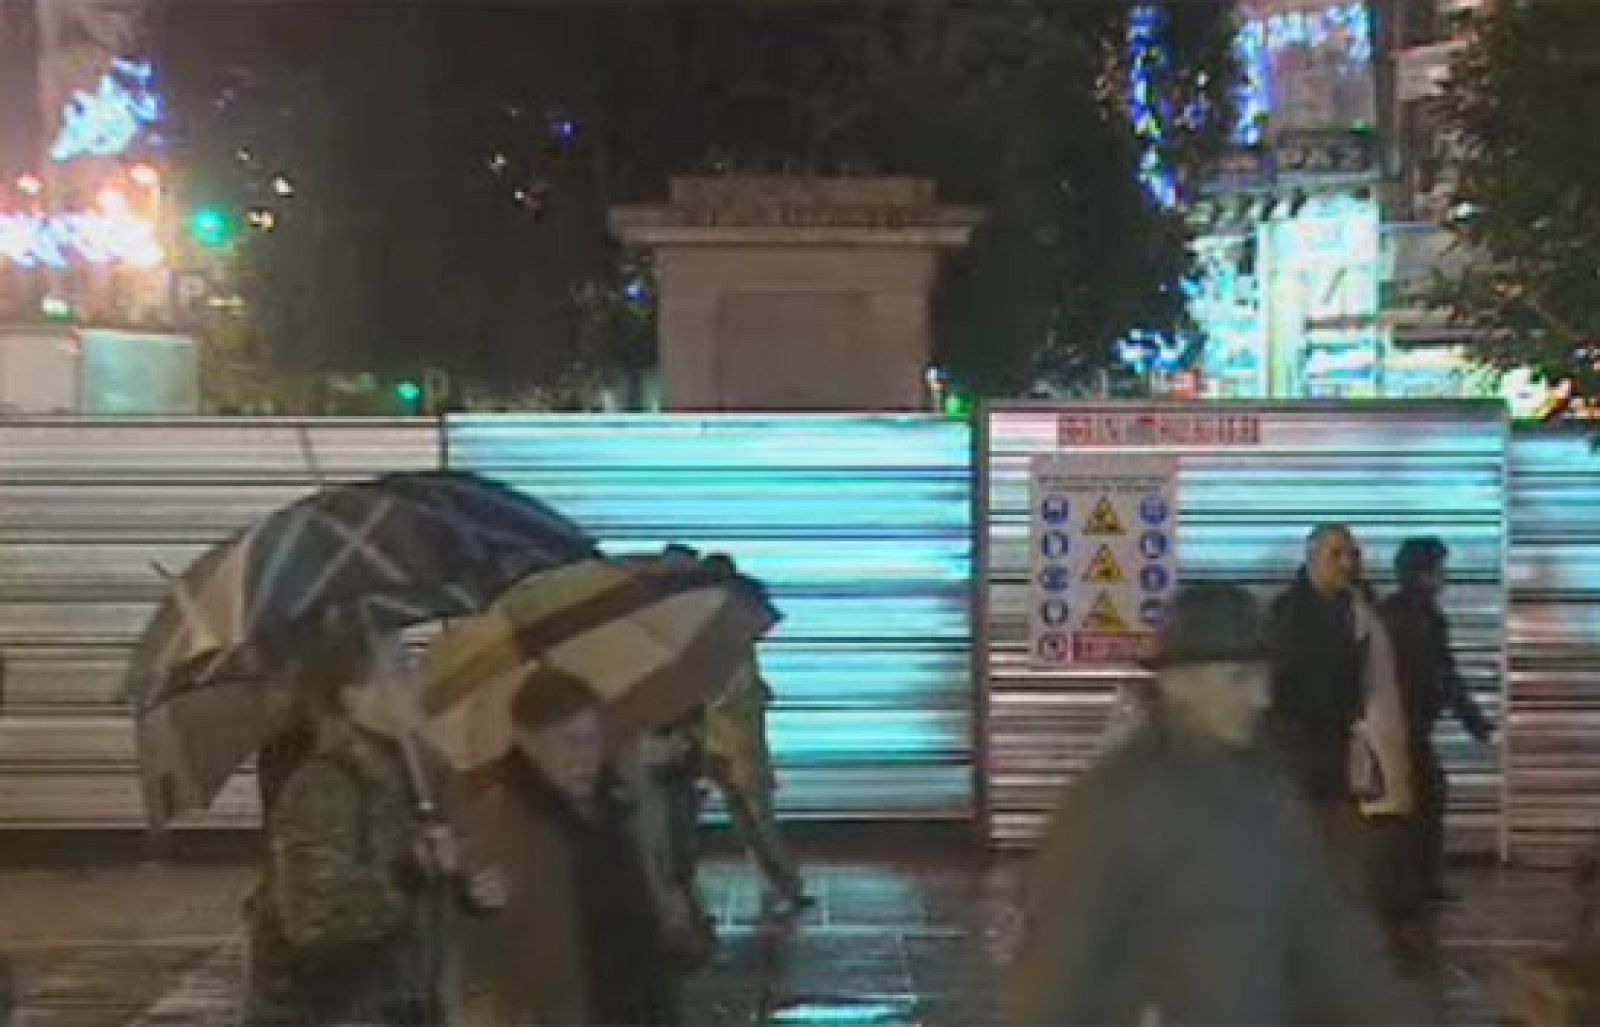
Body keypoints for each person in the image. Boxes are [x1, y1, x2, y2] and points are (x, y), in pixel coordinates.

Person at [1009, 583, 1424, 1025]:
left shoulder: (1268, 790)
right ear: (1178, 684)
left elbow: (1330, 939)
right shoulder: (1114, 801)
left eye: (1264, 676)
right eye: (1238, 678)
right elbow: (1057, 976)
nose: (1261, 698)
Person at [243, 627, 457, 1027]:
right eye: (400, 668)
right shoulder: (325, 786)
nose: (419, 678)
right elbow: (313, 919)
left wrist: (468, 889)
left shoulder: (419, 775)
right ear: (354, 697)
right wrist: (410, 871)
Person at [452, 668, 677, 1026]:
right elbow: (483, 940)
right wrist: (476, 904)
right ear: (530, 743)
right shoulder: (500, 822)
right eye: (570, 742)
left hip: (640, 999)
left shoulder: (618, 801)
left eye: (592, 740)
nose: (585, 757)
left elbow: (654, 888)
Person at [1379, 537, 1494, 909]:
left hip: (1413, 728)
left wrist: (1474, 721)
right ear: (1420, 574)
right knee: (1412, 803)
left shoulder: (1427, 618)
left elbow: (1445, 676)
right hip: (1395, 729)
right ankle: (1408, 886)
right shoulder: (1394, 619)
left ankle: (1421, 883)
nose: (1444, 578)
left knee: (1426, 799)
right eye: (1439, 570)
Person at [699, 553, 811, 918]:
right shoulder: (725, 633)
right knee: (755, 816)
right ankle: (783, 884)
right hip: (736, 739)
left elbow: (732, 688)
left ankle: (780, 883)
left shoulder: (715, 631)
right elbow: (736, 689)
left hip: (723, 738)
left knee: (748, 817)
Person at [1265, 523, 1371, 884]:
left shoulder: (1350, 608)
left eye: (1351, 554)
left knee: (1334, 847)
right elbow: (1277, 682)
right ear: (1311, 558)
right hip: (1299, 749)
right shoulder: (1290, 612)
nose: (1346, 564)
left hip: (1334, 745)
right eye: (1335, 555)